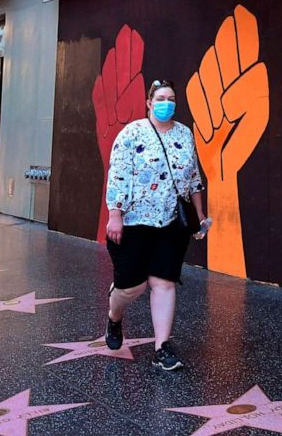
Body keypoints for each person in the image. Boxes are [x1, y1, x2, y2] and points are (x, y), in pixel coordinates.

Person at [103, 79, 209, 371]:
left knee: (163, 282)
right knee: (131, 288)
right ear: (149, 103)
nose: (167, 103)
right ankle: (114, 317)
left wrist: (200, 215)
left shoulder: (185, 134)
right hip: (136, 220)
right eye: (161, 98)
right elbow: (119, 175)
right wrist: (115, 213)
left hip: (172, 222)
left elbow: (193, 178)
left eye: (171, 98)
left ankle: (162, 348)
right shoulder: (132, 133)